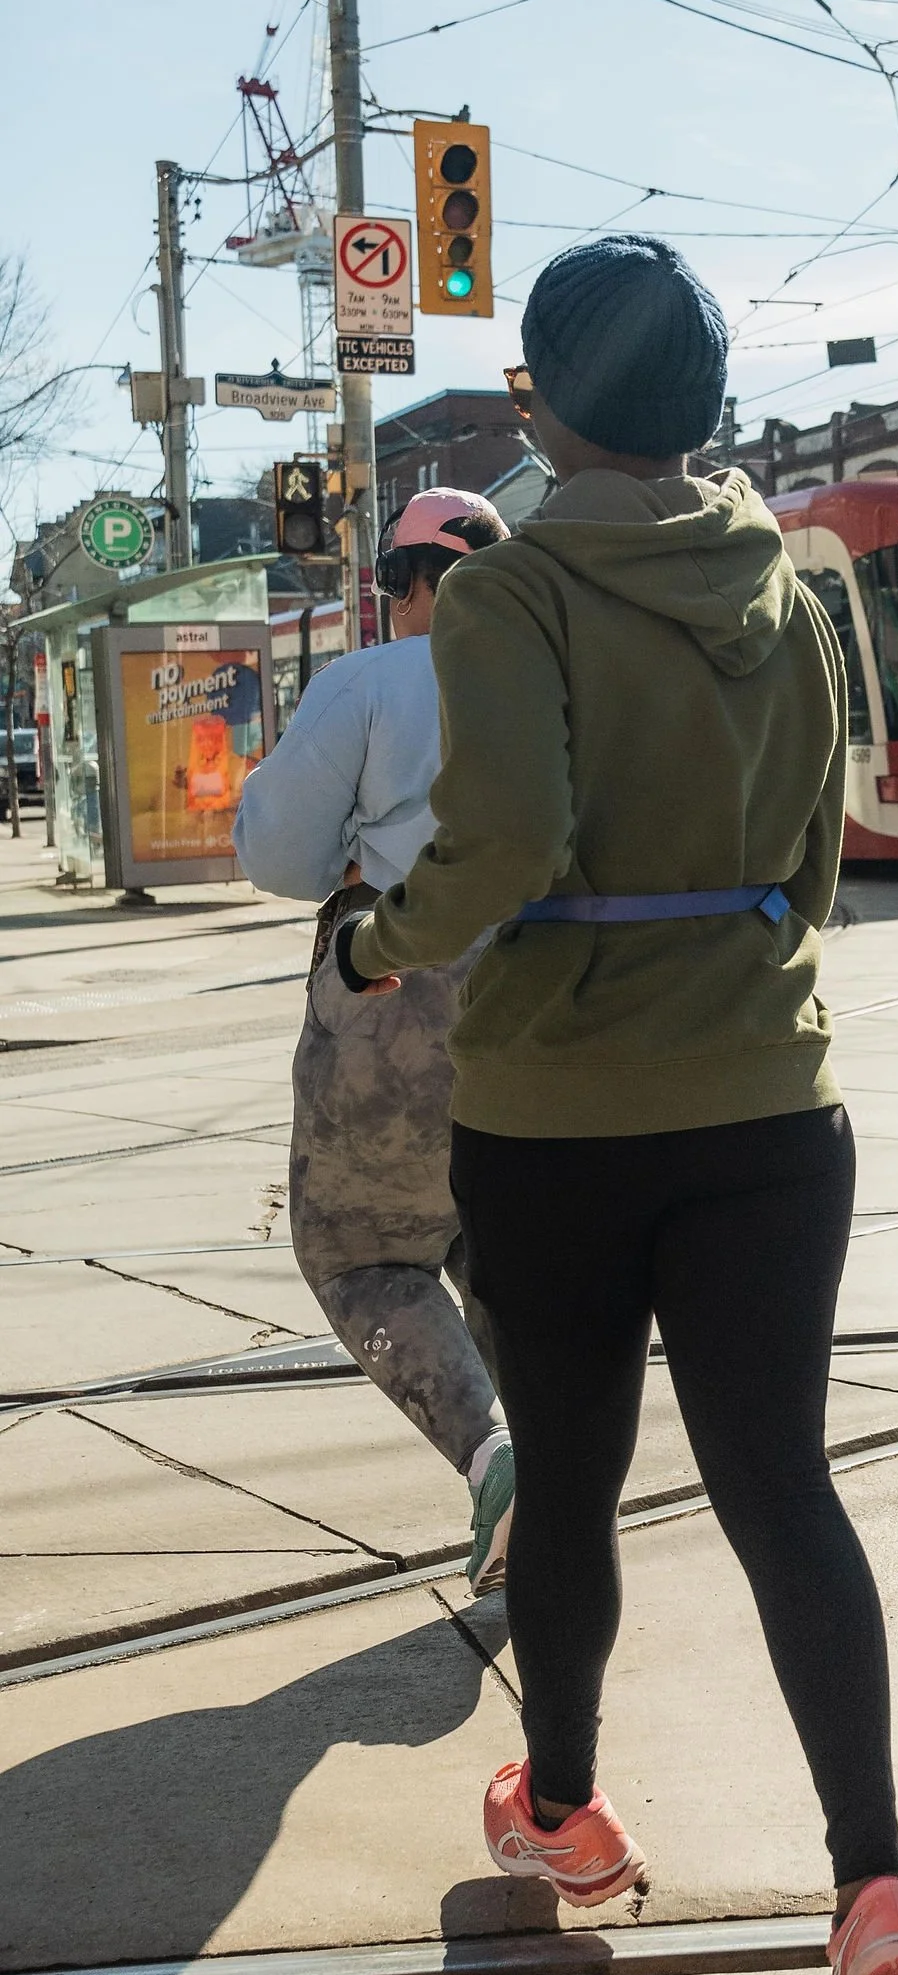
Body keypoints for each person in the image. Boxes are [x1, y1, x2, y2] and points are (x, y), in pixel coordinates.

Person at [332, 236, 898, 1975]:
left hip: (560, 1111)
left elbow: (502, 844)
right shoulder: (784, 576)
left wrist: (381, 941)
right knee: (784, 1488)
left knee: (577, 1483)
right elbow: (824, 836)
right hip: (774, 1095)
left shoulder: (517, 594)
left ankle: (575, 1817)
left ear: (544, 399)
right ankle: (873, 1893)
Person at [236, 488, 519, 1592]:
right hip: (551, 991)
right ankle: (552, 1481)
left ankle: (497, 1461)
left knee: (362, 1251)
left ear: (411, 584)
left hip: (393, 983)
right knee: (507, 1249)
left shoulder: (367, 681)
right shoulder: (561, 678)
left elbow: (279, 857)